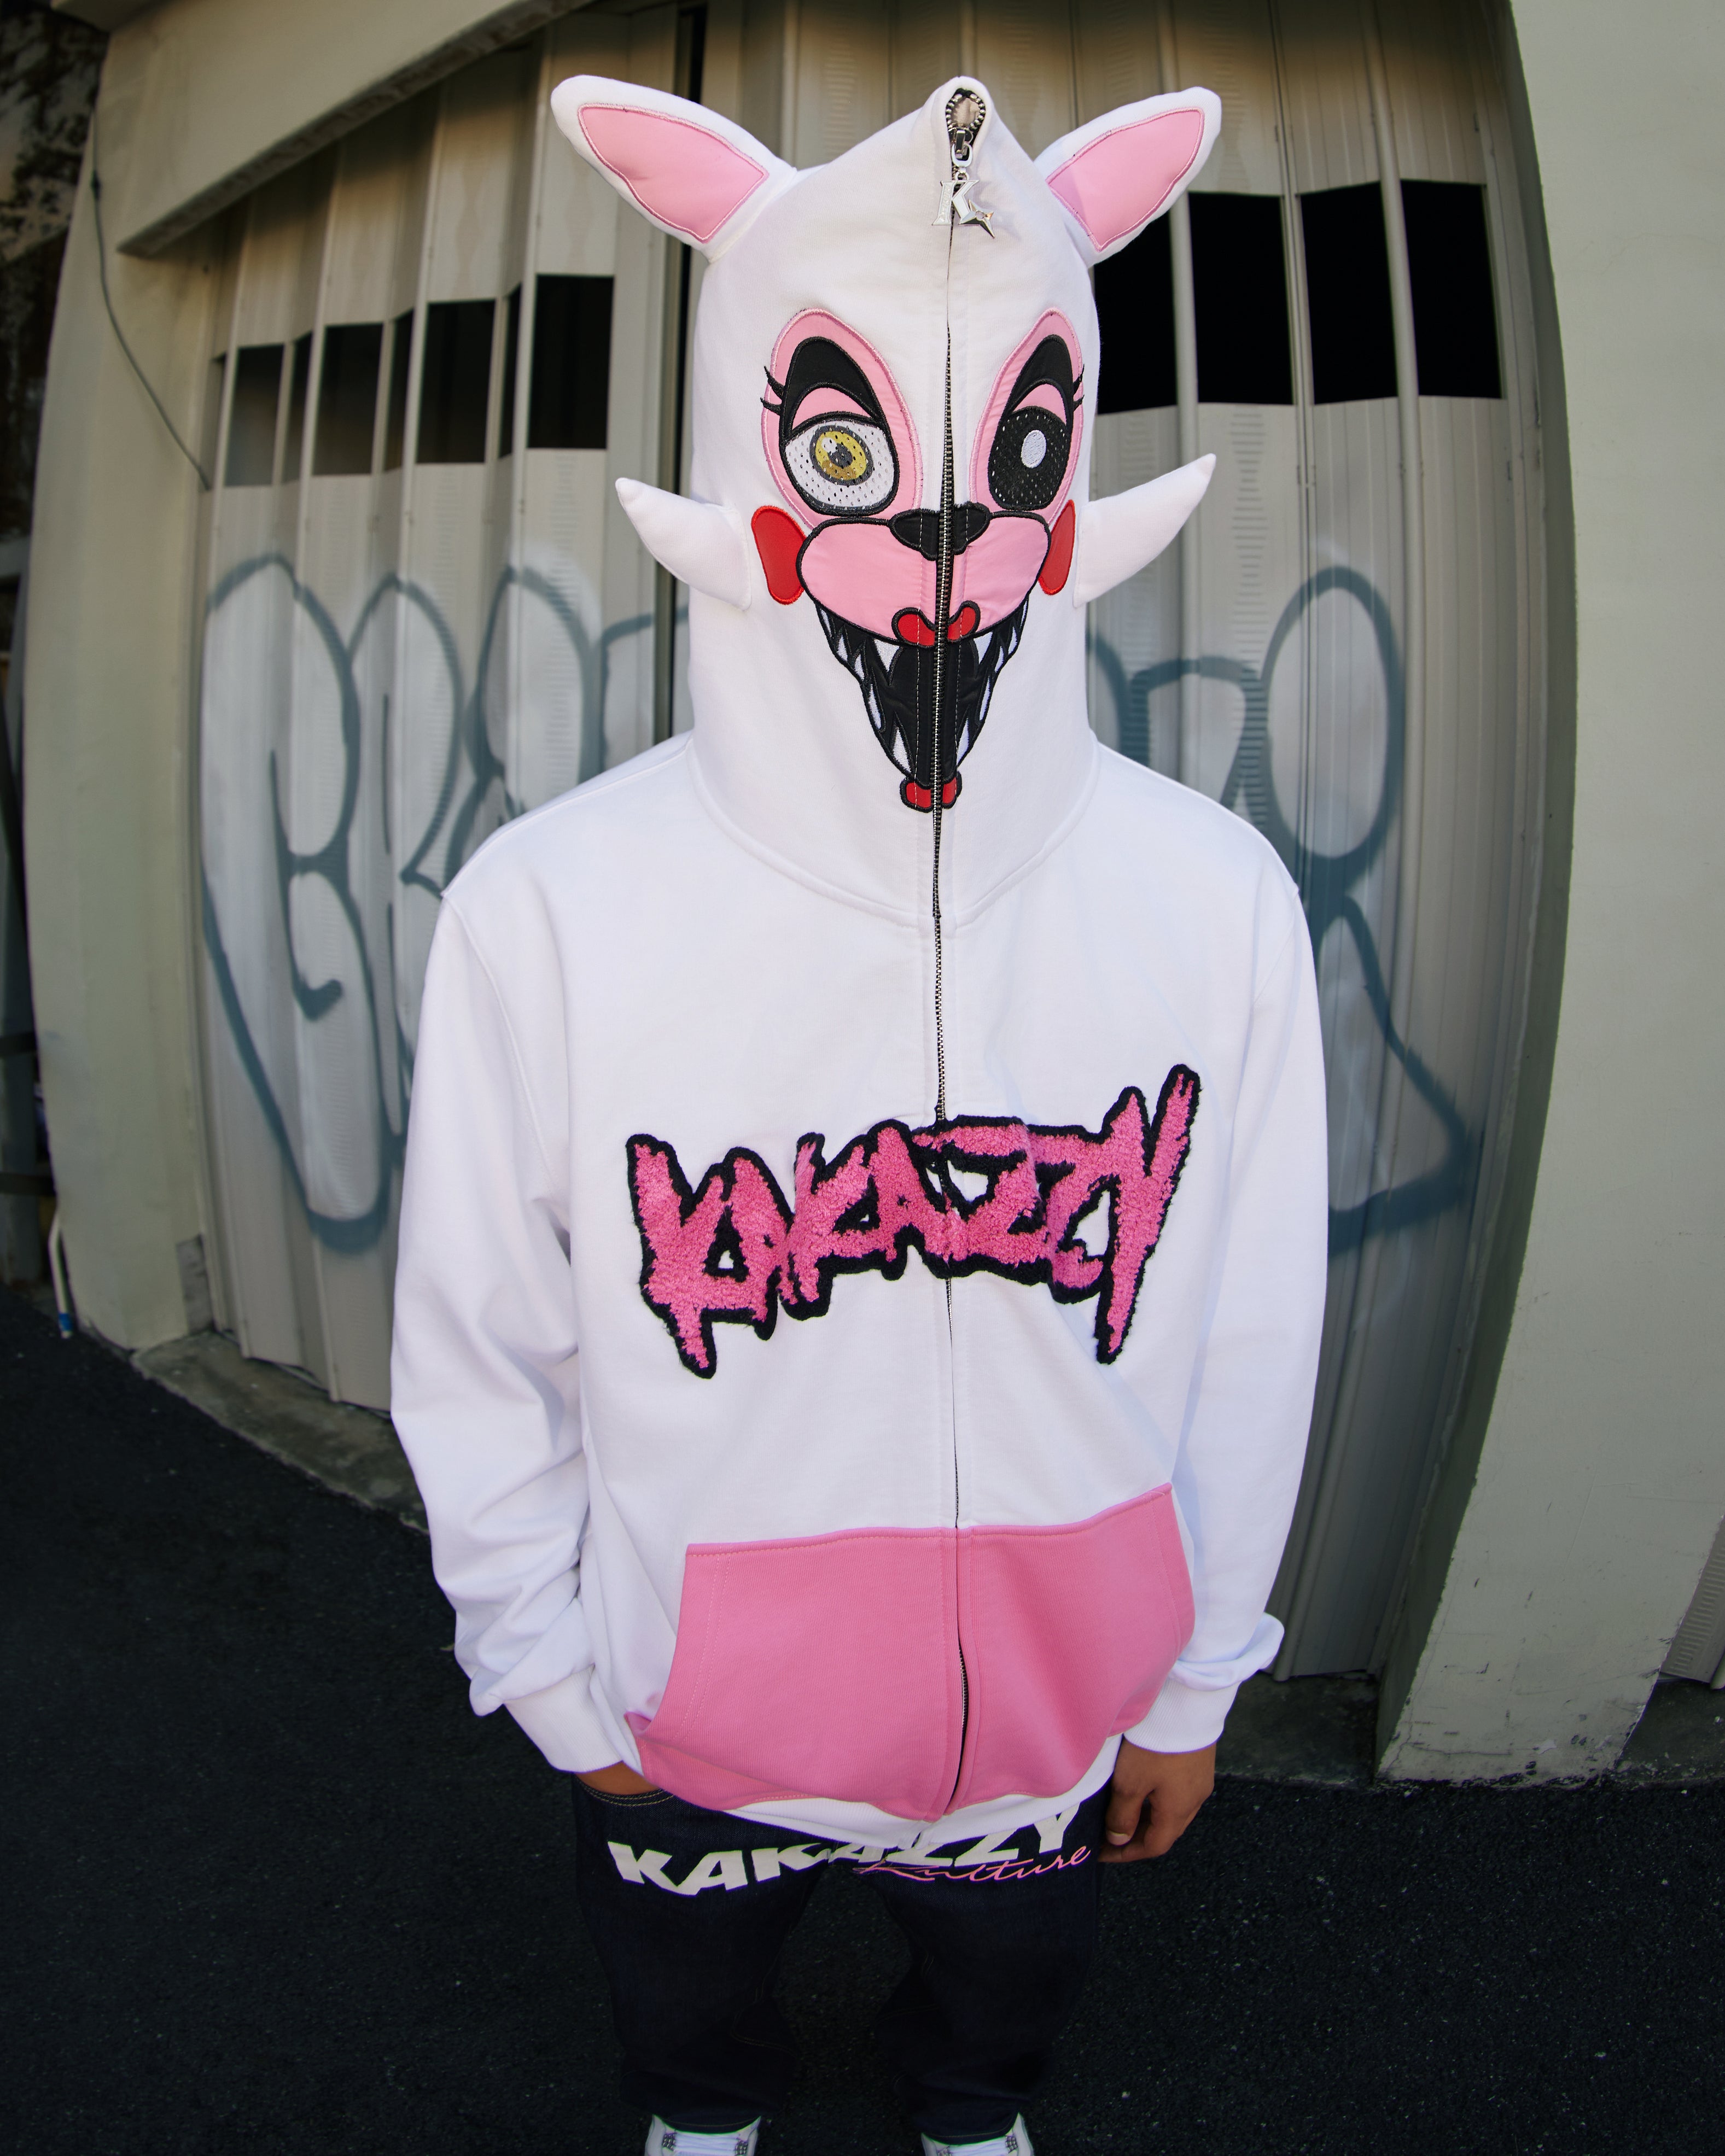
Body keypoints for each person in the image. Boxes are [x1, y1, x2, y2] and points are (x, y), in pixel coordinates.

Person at [392, 71, 1327, 2156]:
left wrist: (1193, 1676)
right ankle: (702, 2115)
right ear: (751, 444)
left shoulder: (1213, 900)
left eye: (1016, 449)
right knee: (683, 2001)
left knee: (1003, 1999)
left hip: (1057, 1723)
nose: (941, 537)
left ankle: (970, 2110)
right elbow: (480, 1329)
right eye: (840, 451)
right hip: (675, 1711)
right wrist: (551, 1678)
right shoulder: (555, 905)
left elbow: (1256, 1324)